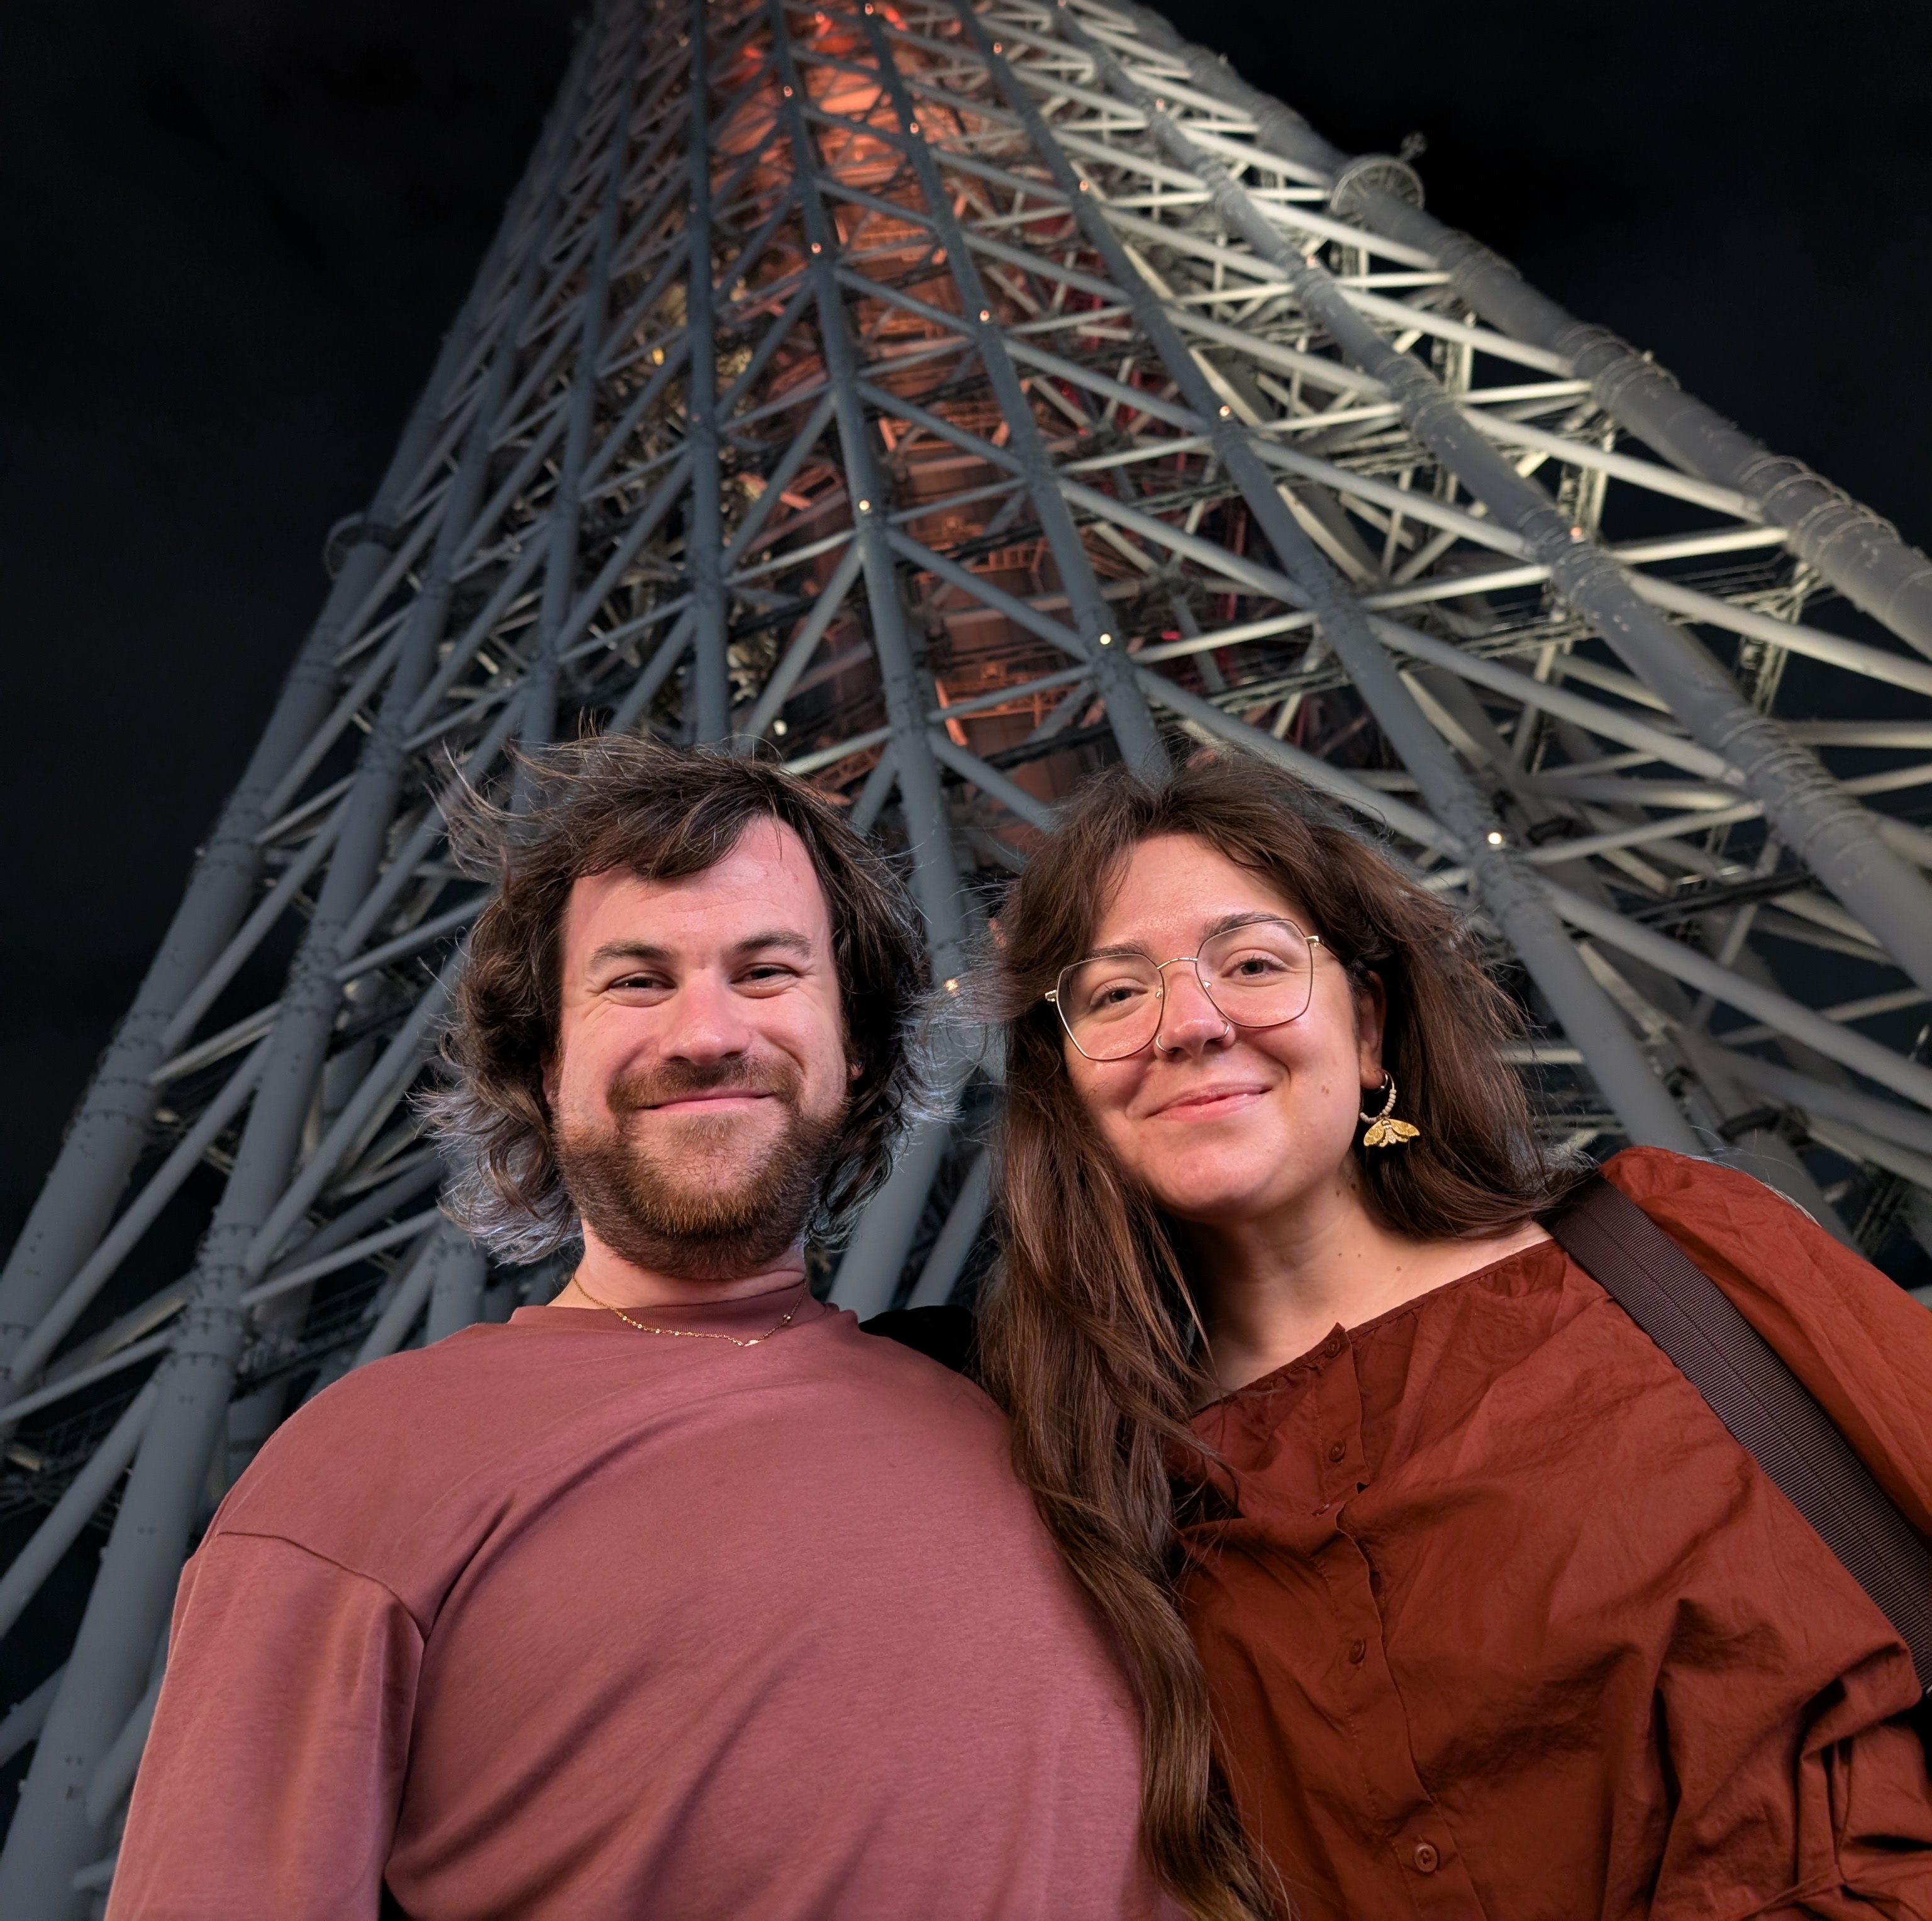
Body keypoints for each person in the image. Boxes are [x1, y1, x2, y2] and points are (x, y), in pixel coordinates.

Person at [110, 738, 1181, 1921]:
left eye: (768, 972)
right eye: (635, 981)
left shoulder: (1028, 1411)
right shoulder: (361, 1471)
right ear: (543, 1063)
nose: (705, 1032)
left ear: (858, 1044)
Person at [976, 749, 1932, 1921]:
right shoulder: (1080, 1488)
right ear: (1064, 1081)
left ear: (1369, 1030)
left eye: (1255, 963)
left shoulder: (1682, 1258)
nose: (1192, 1022)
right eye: (1115, 994)